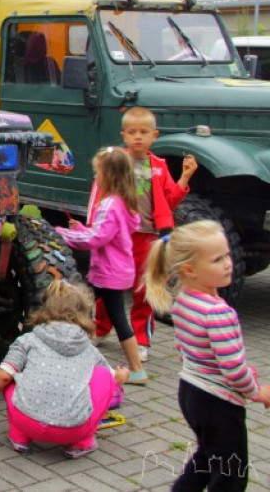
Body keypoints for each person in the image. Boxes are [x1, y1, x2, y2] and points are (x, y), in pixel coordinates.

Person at [145, 220, 270, 490]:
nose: (228, 263)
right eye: (217, 259)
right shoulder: (218, 313)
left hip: (191, 392)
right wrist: (257, 391)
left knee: (207, 458)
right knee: (230, 476)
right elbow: (234, 369)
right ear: (190, 270)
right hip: (219, 404)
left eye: (227, 255)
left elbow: (185, 347)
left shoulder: (183, 301)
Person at [0, 280, 130, 459]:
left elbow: (3, 376)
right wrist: (121, 376)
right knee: (103, 375)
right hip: (72, 429)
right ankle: (81, 444)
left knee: (10, 374)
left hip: (27, 422)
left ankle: (19, 438)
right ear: (83, 313)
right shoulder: (88, 348)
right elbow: (112, 378)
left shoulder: (28, 340)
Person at [93, 106, 197, 361]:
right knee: (109, 285)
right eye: (132, 132)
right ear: (124, 136)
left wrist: (185, 177)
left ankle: (141, 338)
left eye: (143, 132)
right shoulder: (117, 162)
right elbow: (100, 194)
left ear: (155, 135)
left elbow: (170, 200)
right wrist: (95, 225)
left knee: (145, 289)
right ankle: (100, 327)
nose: (138, 137)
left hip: (148, 236)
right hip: (119, 235)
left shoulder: (159, 166)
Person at [57, 146, 147, 384]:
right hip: (118, 270)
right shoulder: (125, 203)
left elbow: (96, 239)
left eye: (98, 173)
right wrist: (81, 228)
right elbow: (107, 235)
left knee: (95, 313)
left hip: (109, 272)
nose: (95, 178)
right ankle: (132, 368)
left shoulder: (109, 205)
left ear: (109, 176)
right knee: (95, 312)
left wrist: (62, 234)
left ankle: (136, 369)